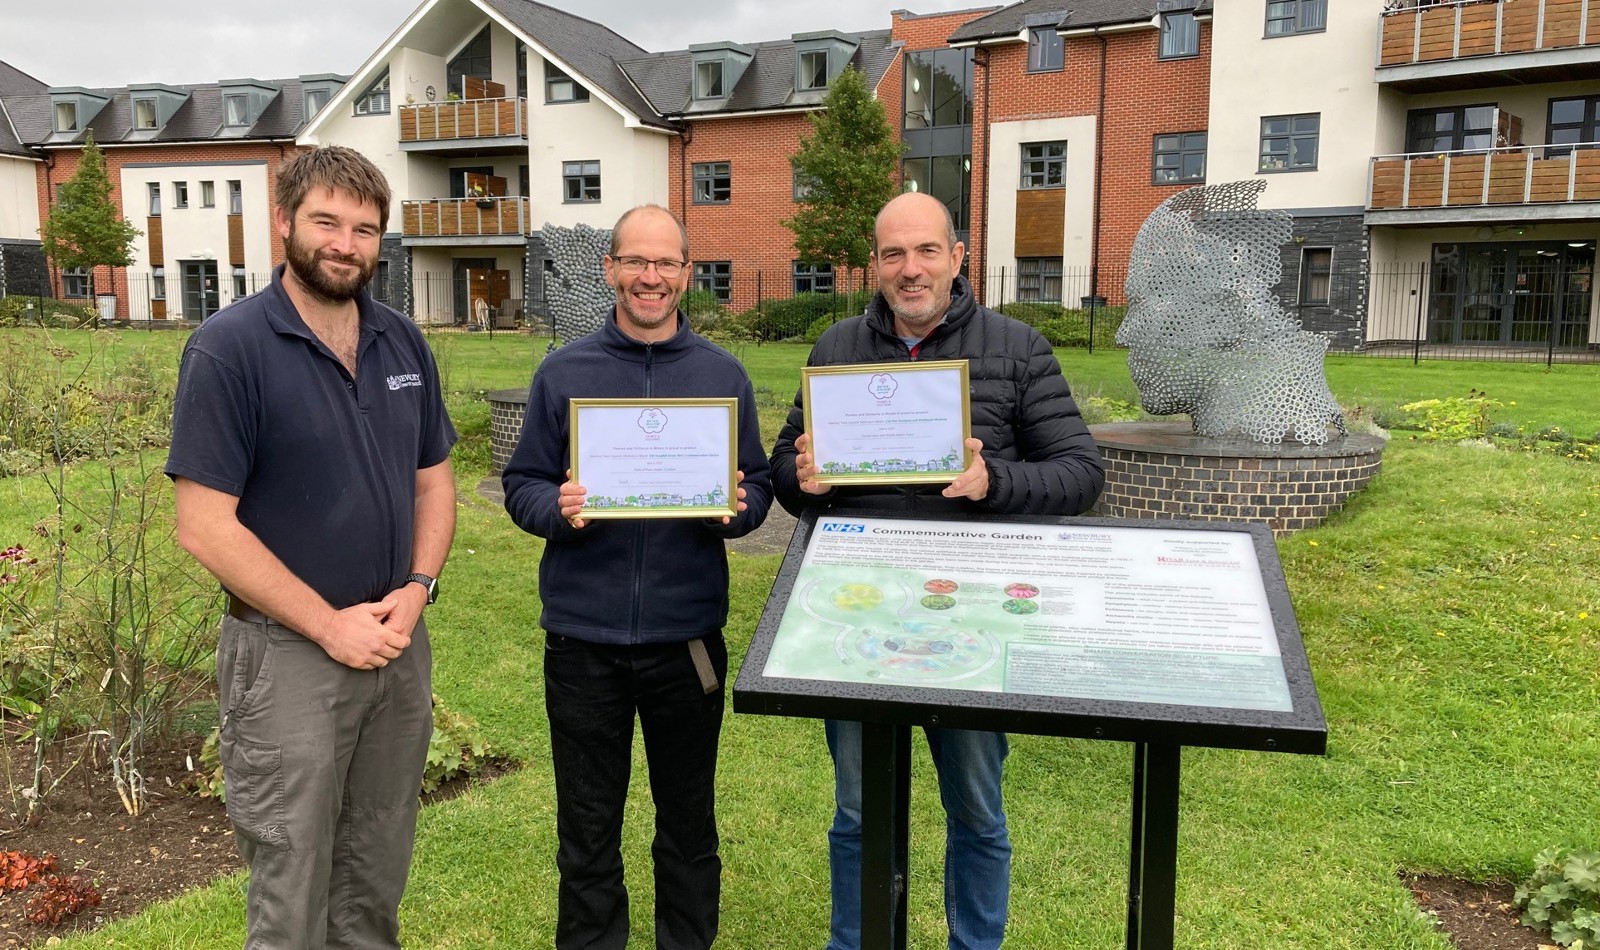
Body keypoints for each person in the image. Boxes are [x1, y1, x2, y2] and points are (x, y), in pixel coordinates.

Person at [769, 191, 1105, 950]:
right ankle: (857, 944)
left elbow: (1081, 475)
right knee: (857, 810)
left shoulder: (1018, 349)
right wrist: (805, 479)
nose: (909, 269)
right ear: (876, 265)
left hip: (971, 622)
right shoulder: (836, 350)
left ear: (957, 257)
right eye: (893, 254)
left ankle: (974, 946)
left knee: (978, 810)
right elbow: (785, 474)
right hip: (856, 620)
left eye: (926, 251)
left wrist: (996, 484)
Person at [166, 145, 457, 950]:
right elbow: (205, 525)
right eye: (327, 221)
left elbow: (434, 481)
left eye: (365, 229)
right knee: (292, 886)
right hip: (288, 656)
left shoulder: (402, 343)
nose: (346, 243)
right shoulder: (230, 349)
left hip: (397, 644)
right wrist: (330, 626)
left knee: (375, 870)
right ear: (285, 221)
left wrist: (420, 585)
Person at [502, 204, 772, 950]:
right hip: (583, 643)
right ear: (610, 269)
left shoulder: (722, 375)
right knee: (587, 828)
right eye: (635, 262)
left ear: (687, 274)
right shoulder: (564, 373)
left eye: (666, 264)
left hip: (685, 644)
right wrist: (555, 508)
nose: (650, 278)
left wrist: (738, 510)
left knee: (688, 824)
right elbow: (521, 482)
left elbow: (754, 483)